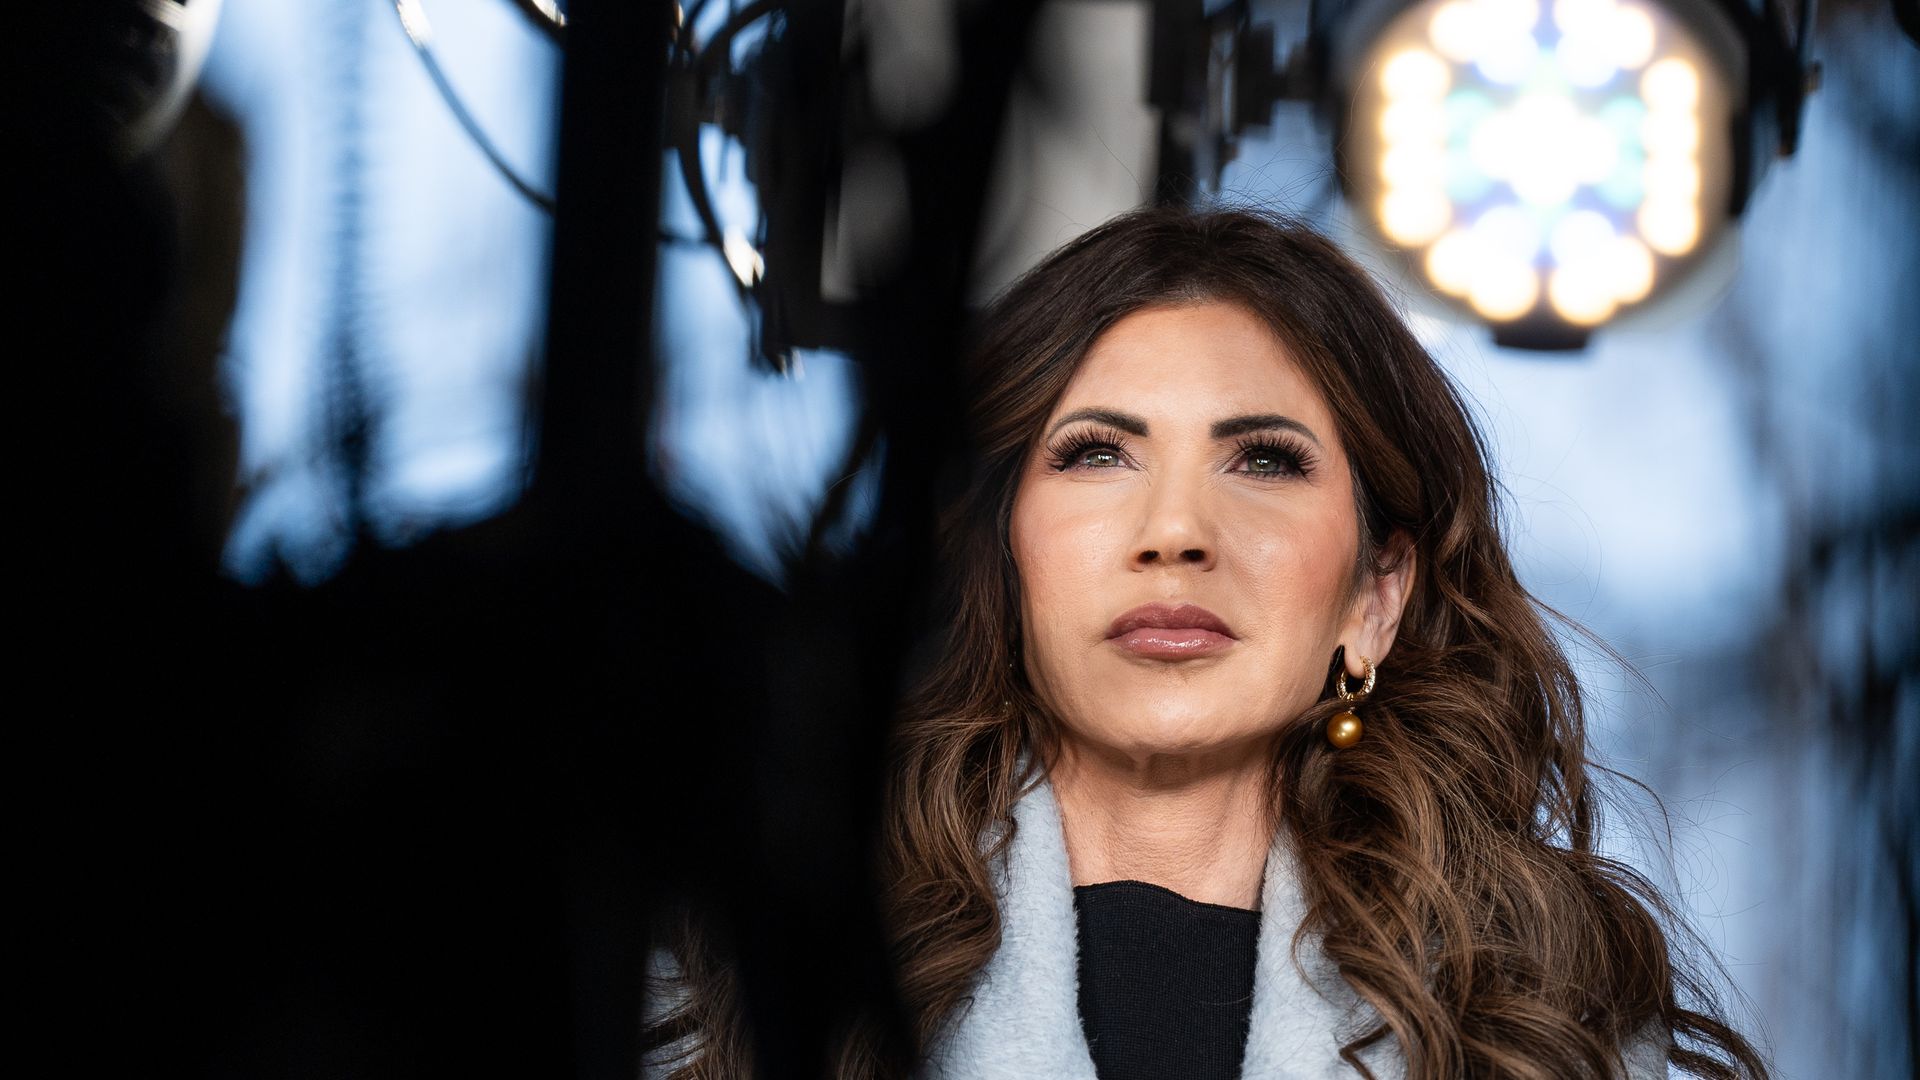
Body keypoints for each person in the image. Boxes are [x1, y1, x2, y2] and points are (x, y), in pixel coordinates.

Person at [644, 206, 1770, 1079]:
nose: (1175, 533)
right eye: (1096, 453)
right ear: (995, 554)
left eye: (1265, 460)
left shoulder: (1552, 1026)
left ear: (1375, 596)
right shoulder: (737, 988)